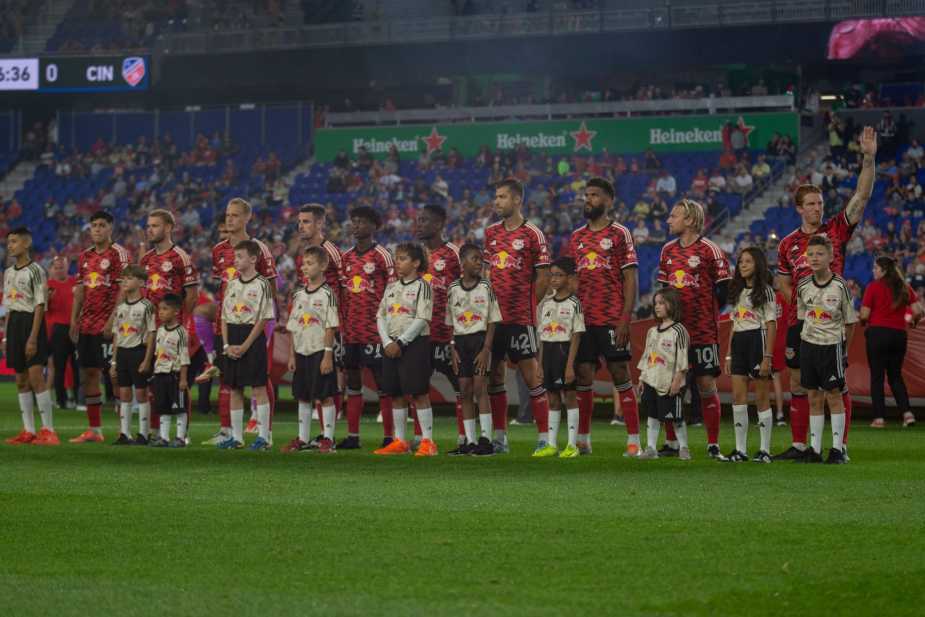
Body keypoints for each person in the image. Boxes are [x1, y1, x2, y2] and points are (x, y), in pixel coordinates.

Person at [774, 126, 877, 461]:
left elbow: (861, 197)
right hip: (800, 322)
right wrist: (798, 305)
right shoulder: (787, 244)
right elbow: (782, 281)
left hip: (831, 321)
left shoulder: (835, 229)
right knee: (800, 383)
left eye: (819, 203)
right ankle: (801, 445)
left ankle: (839, 446)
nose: (817, 208)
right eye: (811, 204)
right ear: (799, 208)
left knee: (835, 384)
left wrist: (868, 159)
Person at [565, 177, 640, 456]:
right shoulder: (576, 237)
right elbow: (572, 280)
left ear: (609, 200)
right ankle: (583, 439)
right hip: (583, 320)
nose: (588, 199)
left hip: (611, 317)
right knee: (583, 375)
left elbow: (630, 278)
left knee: (620, 372)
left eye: (594, 195)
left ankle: (633, 440)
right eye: (586, 195)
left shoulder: (620, 233)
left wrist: (625, 318)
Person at [657, 199, 731, 459]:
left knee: (706, 384)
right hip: (673, 334)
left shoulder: (711, 250)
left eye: (673, 216)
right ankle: (671, 442)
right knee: (669, 386)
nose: (669, 220)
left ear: (689, 220)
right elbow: (663, 292)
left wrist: (705, 314)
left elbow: (724, 291)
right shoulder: (667, 250)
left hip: (703, 332)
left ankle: (713, 445)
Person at [484, 178, 551, 455]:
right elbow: (488, 274)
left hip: (521, 319)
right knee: (495, 377)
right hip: (495, 321)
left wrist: (528, 307)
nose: (496, 201)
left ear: (517, 200)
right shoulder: (491, 233)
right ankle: (500, 439)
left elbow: (544, 277)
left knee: (531, 376)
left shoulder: (533, 234)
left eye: (502, 197)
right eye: (496, 197)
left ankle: (545, 439)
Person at [205, 198, 278, 442]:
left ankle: (265, 431)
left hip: (256, 324)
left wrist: (267, 322)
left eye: (235, 215)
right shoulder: (218, 250)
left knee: (260, 378)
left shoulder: (259, 248)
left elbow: (271, 287)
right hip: (227, 323)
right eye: (228, 214)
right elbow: (223, 290)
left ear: (248, 218)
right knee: (229, 380)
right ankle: (228, 432)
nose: (230, 219)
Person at [795, 235, 858, 464]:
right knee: (813, 396)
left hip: (831, 347)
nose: (814, 258)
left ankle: (837, 449)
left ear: (830, 257)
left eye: (820, 254)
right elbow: (803, 317)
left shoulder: (840, 286)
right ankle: (815, 449)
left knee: (833, 395)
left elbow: (850, 322)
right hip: (808, 346)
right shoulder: (803, 286)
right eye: (810, 254)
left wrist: (844, 350)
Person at [69, 211, 131, 443]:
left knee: (115, 376)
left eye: (102, 225)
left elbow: (124, 289)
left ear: (110, 228)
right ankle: (95, 430)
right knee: (89, 374)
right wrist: (74, 319)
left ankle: (124, 430)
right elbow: (80, 289)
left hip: (110, 325)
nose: (97, 229)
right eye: (94, 225)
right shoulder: (85, 256)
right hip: (87, 325)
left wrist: (113, 320)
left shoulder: (119, 254)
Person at [372, 243, 437, 457]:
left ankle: (428, 442)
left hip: (414, 344)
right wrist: (386, 342)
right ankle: (400, 441)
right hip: (390, 344)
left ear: (416, 263)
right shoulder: (391, 287)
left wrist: (400, 343)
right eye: (396, 258)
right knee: (396, 393)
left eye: (402, 258)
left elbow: (422, 318)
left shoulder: (423, 286)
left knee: (419, 393)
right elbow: (380, 315)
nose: (397, 262)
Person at [340, 206, 396, 450]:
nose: (356, 225)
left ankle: (389, 437)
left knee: (383, 383)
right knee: (353, 381)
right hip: (351, 332)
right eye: (354, 221)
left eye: (362, 222)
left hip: (375, 332)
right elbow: (343, 294)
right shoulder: (346, 257)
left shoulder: (382, 255)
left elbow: (393, 292)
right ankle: (353, 436)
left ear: (374, 226)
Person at [140, 209, 199, 441]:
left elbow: (191, 295)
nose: (150, 230)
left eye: (154, 225)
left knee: (178, 383)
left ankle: (183, 434)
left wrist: (181, 325)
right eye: (148, 226)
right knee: (156, 382)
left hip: (173, 331)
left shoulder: (180, 257)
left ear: (168, 228)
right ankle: (158, 432)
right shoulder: (146, 260)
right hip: (152, 331)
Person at [291, 203, 344, 446]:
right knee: (307, 388)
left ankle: (328, 436)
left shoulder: (331, 251)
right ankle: (313, 437)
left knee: (328, 383)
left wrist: (340, 325)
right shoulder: (304, 253)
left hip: (330, 327)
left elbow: (343, 288)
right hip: (307, 329)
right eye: (299, 222)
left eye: (306, 221)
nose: (301, 226)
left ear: (320, 223)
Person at [218, 240, 276, 451]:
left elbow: (264, 318)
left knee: (258, 388)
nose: (235, 260)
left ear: (253, 259)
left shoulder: (262, 284)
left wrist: (245, 345)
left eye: (240, 256)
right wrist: (226, 345)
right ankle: (237, 437)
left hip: (251, 337)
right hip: (232, 336)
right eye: (235, 256)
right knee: (234, 388)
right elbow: (224, 317)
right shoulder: (232, 283)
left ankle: (263, 437)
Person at [415, 204, 464, 451]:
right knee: (417, 387)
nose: (419, 224)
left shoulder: (453, 254)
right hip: (420, 334)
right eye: (419, 219)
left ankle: (464, 438)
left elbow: (464, 293)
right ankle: (421, 439)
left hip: (447, 335)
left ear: (439, 224)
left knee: (461, 386)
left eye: (425, 220)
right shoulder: (415, 256)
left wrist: (457, 335)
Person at [3, 228, 58, 446]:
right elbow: (9, 306)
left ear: (26, 244)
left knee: (36, 377)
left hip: (31, 323)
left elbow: (39, 306)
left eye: (14, 241)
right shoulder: (8, 272)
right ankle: (29, 430)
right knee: (20, 380)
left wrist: (33, 337)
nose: (10, 245)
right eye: (9, 242)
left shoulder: (36, 271)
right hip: (14, 325)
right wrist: (6, 338)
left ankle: (49, 431)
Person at [282, 246, 339, 454]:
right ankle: (303, 438)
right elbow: (293, 326)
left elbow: (330, 326)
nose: (305, 267)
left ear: (322, 266)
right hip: (301, 352)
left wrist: (327, 355)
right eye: (303, 264)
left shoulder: (328, 294)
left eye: (310, 263)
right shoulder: (298, 294)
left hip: (319, 351)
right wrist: (291, 355)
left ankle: (328, 438)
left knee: (325, 395)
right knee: (303, 396)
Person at [446, 243, 501, 456]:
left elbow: (493, 319)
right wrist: (452, 348)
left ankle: (486, 440)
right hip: (460, 342)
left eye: (481, 260)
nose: (479, 263)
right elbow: (450, 321)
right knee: (465, 390)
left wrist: (486, 348)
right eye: (475, 259)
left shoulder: (486, 287)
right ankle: (469, 441)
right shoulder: (453, 288)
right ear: (463, 262)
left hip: (479, 340)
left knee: (480, 388)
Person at [723, 247, 777, 463]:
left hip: (758, 341)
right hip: (739, 342)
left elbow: (771, 325)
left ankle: (765, 450)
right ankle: (740, 450)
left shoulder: (766, 291)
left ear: (758, 264)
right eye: (741, 261)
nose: (743, 265)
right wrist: (728, 354)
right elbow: (734, 324)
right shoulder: (737, 291)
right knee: (738, 397)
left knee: (761, 397)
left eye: (748, 261)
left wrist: (767, 357)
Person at [861, 256, 923, 428]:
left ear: (884, 270)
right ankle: (907, 414)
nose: (873, 270)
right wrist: (913, 322)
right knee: (895, 376)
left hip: (877, 334)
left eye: (876, 268)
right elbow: (918, 311)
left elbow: (864, 314)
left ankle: (879, 418)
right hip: (898, 335)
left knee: (877, 377)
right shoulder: (904, 287)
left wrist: (863, 322)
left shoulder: (873, 287)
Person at [534, 257, 585, 459]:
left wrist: (570, 365)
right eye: (552, 275)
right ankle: (551, 444)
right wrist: (540, 364)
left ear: (569, 278)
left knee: (569, 397)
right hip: (549, 353)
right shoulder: (546, 304)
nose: (554, 279)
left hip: (565, 352)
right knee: (553, 399)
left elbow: (577, 335)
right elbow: (543, 337)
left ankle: (572, 445)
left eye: (559, 275)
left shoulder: (574, 304)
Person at [636, 288, 691, 460]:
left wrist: (677, 381)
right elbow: (647, 356)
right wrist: (642, 378)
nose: (657, 306)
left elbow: (682, 359)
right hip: (651, 380)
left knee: (676, 417)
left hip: (670, 383)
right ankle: (651, 448)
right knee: (652, 415)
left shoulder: (679, 330)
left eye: (661, 303)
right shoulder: (652, 331)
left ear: (672, 305)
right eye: (656, 303)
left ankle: (684, 448)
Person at [108, 265, 156, 445]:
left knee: (142, 393)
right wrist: (113, 362)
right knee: (124, 393)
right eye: (124, 278)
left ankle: (144, 434)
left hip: (138, 352)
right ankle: (125, 433)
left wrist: (147, 359)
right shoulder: (120, 307)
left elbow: (151, 333)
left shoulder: (147, 306)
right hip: (122, 353)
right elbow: (116, 335)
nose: (125, 281)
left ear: (141, 283)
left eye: (129, 278)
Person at [149, 294, 190, 448]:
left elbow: (184, 357)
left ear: (176, 311)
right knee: (163, 407)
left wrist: (183, 379)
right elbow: (157, 353)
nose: (161, 312)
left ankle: (180, 438)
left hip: (174, 375)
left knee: (179, 407)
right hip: (160, 374)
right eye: (159, 309)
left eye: (165, 309)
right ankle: (164, 438)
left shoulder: (181, 332)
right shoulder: (160, 330)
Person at [46, 256, 77, 410]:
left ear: (67, 267)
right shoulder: (48, 286)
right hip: (58, 329)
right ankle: (61, 400)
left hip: (75, 328)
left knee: (77, 367)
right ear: (52, 269)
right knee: (59, 367)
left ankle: (78, 399)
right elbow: (43, 308)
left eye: (62, 267)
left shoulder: (75, 283)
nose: (59, 270)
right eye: (56, 268)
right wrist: (47, 298)